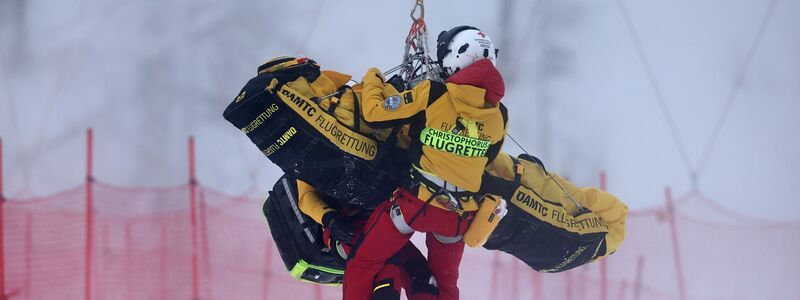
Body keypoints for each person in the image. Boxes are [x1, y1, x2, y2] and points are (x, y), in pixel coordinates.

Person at [226, 56, 437, 299]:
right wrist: (332, 220)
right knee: (390, 264)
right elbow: (305, 197)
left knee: (419, 273)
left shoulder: (331, 125)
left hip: (378, 216)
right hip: (344, 229)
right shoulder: (306, 154)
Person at [344, 26, 509, 300]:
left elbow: (374, 113)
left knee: (362, 265)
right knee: (445, 287)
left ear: (455, 58)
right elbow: (488, 158)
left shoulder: (433, 93)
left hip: (416, 205)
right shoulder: (500, 115)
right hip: (459, 218)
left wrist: (374, 77)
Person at [480, 152, 628, 272]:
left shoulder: (610, 221)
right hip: (492, 226)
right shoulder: (580, 254)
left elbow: (560, 194)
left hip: (502, 196)